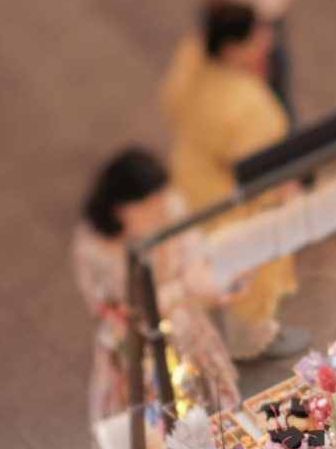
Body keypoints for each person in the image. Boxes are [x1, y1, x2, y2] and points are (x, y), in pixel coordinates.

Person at [160, 0, 309, 360]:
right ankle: (252, 340)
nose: (267, 41)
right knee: (250, 273)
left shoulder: (192, 53)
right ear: (232, 47)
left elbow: (169, 100)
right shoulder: (248, 105)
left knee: (213, 260)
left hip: (191, 174)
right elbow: (260, 173)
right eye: (257, 36)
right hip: (233, 200)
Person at [71, 148, 240, 429]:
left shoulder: (170, 208)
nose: (156, 208)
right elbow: (108, 309)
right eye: (146, 204)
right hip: (134, 343)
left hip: (184, 327)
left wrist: (222, 283)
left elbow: (193, 265)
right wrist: (174, 294)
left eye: (157, 198)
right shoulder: (94, 247)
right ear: (120, 207)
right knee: (155, 425)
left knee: (213, 416)